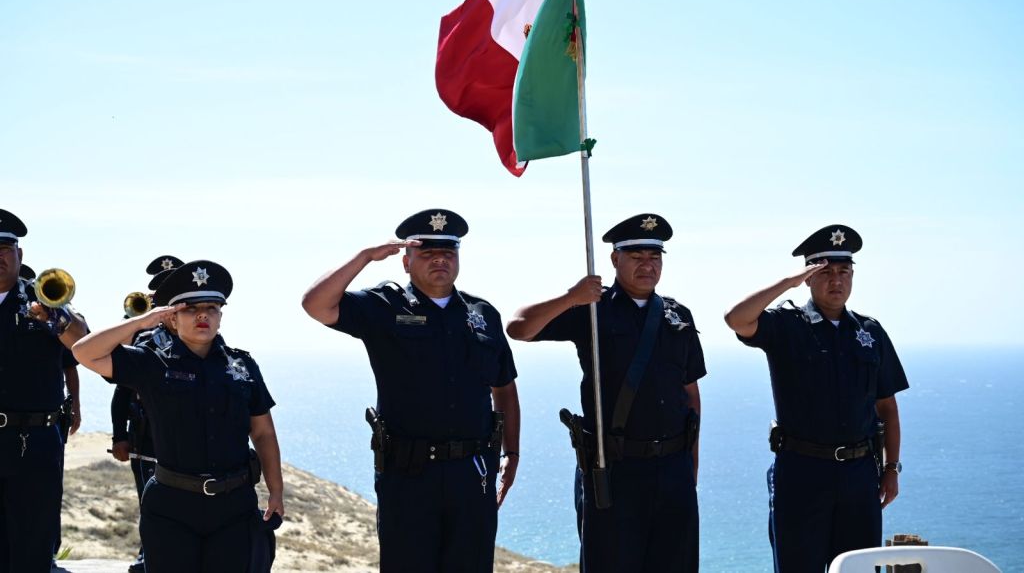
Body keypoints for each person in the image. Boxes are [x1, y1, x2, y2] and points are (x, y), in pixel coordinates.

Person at [302, 208, 521, 573]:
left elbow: (505, 389)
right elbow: (316, 305)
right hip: (408, 475)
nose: (440, 260)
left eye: (448, 252)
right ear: (406, 262)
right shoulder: (383, 306)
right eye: (427, 252)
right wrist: (364, 257)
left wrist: (511, 453)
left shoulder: (483, 314)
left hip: (472, 475)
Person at [507, 213, 705, 573]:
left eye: (654, 257)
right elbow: (519, 327)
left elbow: (690, 393)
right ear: (615, 260)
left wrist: (690, 467)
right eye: (637, 257)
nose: (647, 265)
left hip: (673, 469)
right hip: (614, 469)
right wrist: (572, 296)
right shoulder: (592, 310)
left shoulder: (679, 315)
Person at [73, 260, 284, 573]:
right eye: (190, 308)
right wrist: (141, 322)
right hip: (171, 507)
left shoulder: (243, 366)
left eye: (212, 307)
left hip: (234, 507)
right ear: (172, 316)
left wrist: (276, 491)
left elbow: (263, 433)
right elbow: (84, 352)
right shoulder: (151, 363)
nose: (203, 315)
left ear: (221, 315)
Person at [723, 224, 909, 573]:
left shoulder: (869, 332)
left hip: (858, 475)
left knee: (858, 568)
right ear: (809, 277)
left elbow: (887, 407)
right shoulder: (787, 325)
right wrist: (786, 283)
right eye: (825, 272)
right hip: (802, 473)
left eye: (844, 271)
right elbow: (736, 319)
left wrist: (891, 469)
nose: (836, 281)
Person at [0, 209, 88, 573]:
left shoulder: (45, 302)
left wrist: (56, 318)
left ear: (20, 256)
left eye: (6, 248)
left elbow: (84, 344)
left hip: (33, 442)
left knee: (33, 544)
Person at [111, 254, 180, 572]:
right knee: (148, 501)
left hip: (181, 436)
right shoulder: (143, 339)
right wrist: (120, 436)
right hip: (145, 436)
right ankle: (147, 555)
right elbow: (120, 388)